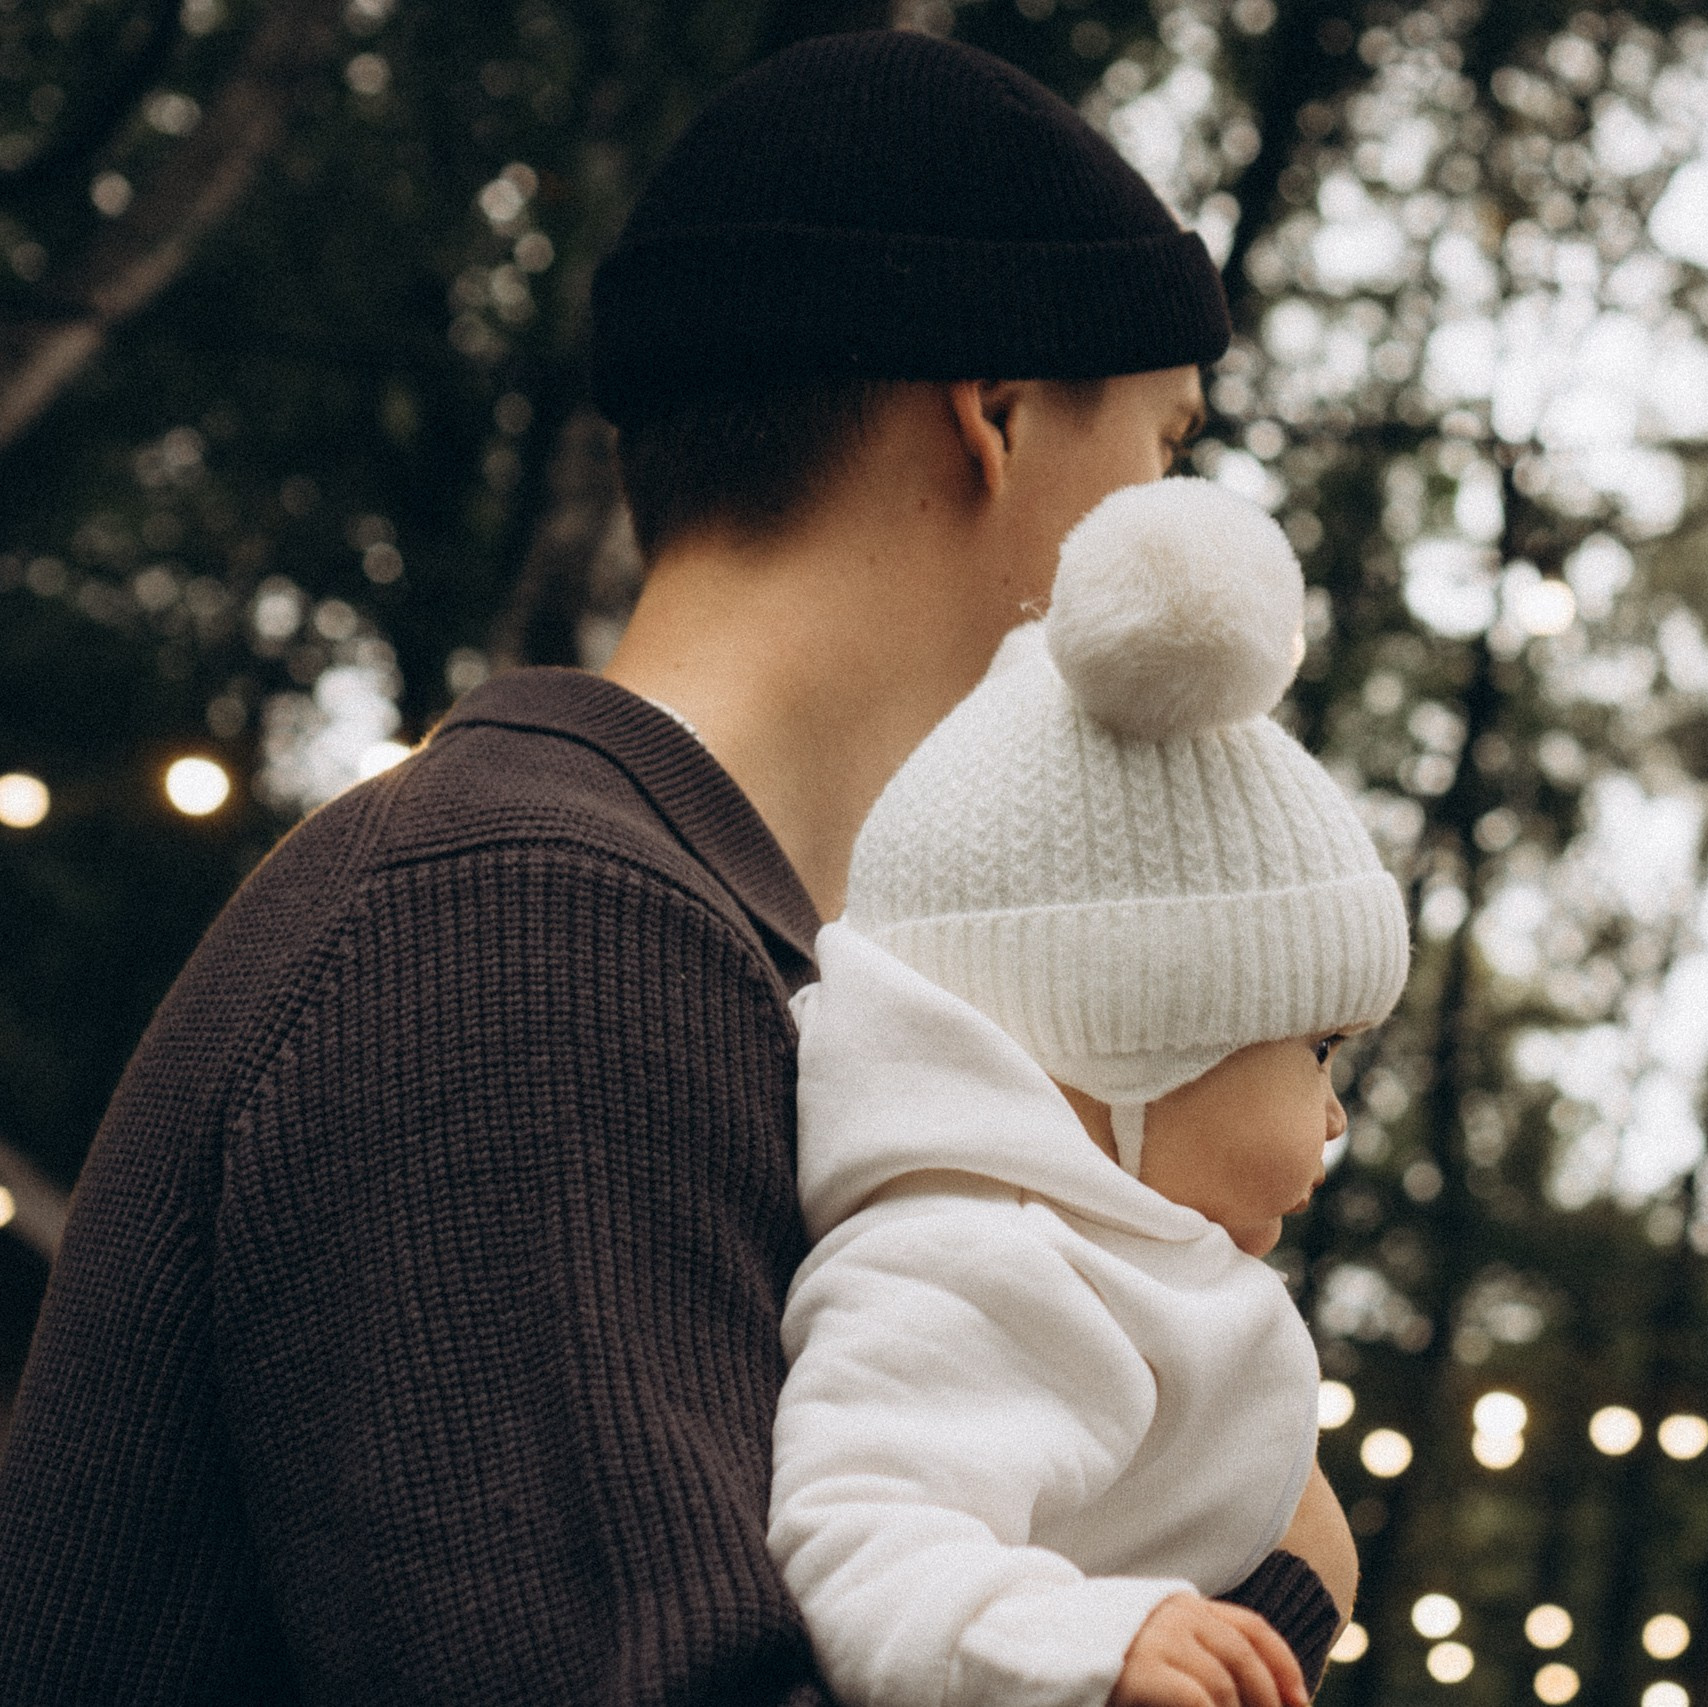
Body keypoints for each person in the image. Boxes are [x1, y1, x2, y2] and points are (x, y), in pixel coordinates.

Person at [0, 30, 1345, 1704]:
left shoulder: (670, 938)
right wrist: (1275, 1586)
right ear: (996, 418)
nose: (1173, 503)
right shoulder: (523, 921)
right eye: (1163, 441)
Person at [773, 477, 1406, 1707]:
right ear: (1134, 1039)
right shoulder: (972, 1261)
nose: (1336, 1115)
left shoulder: (1089, 1255)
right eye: (1319, 1048)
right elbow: (854, 1533)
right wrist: (1081, 1646)